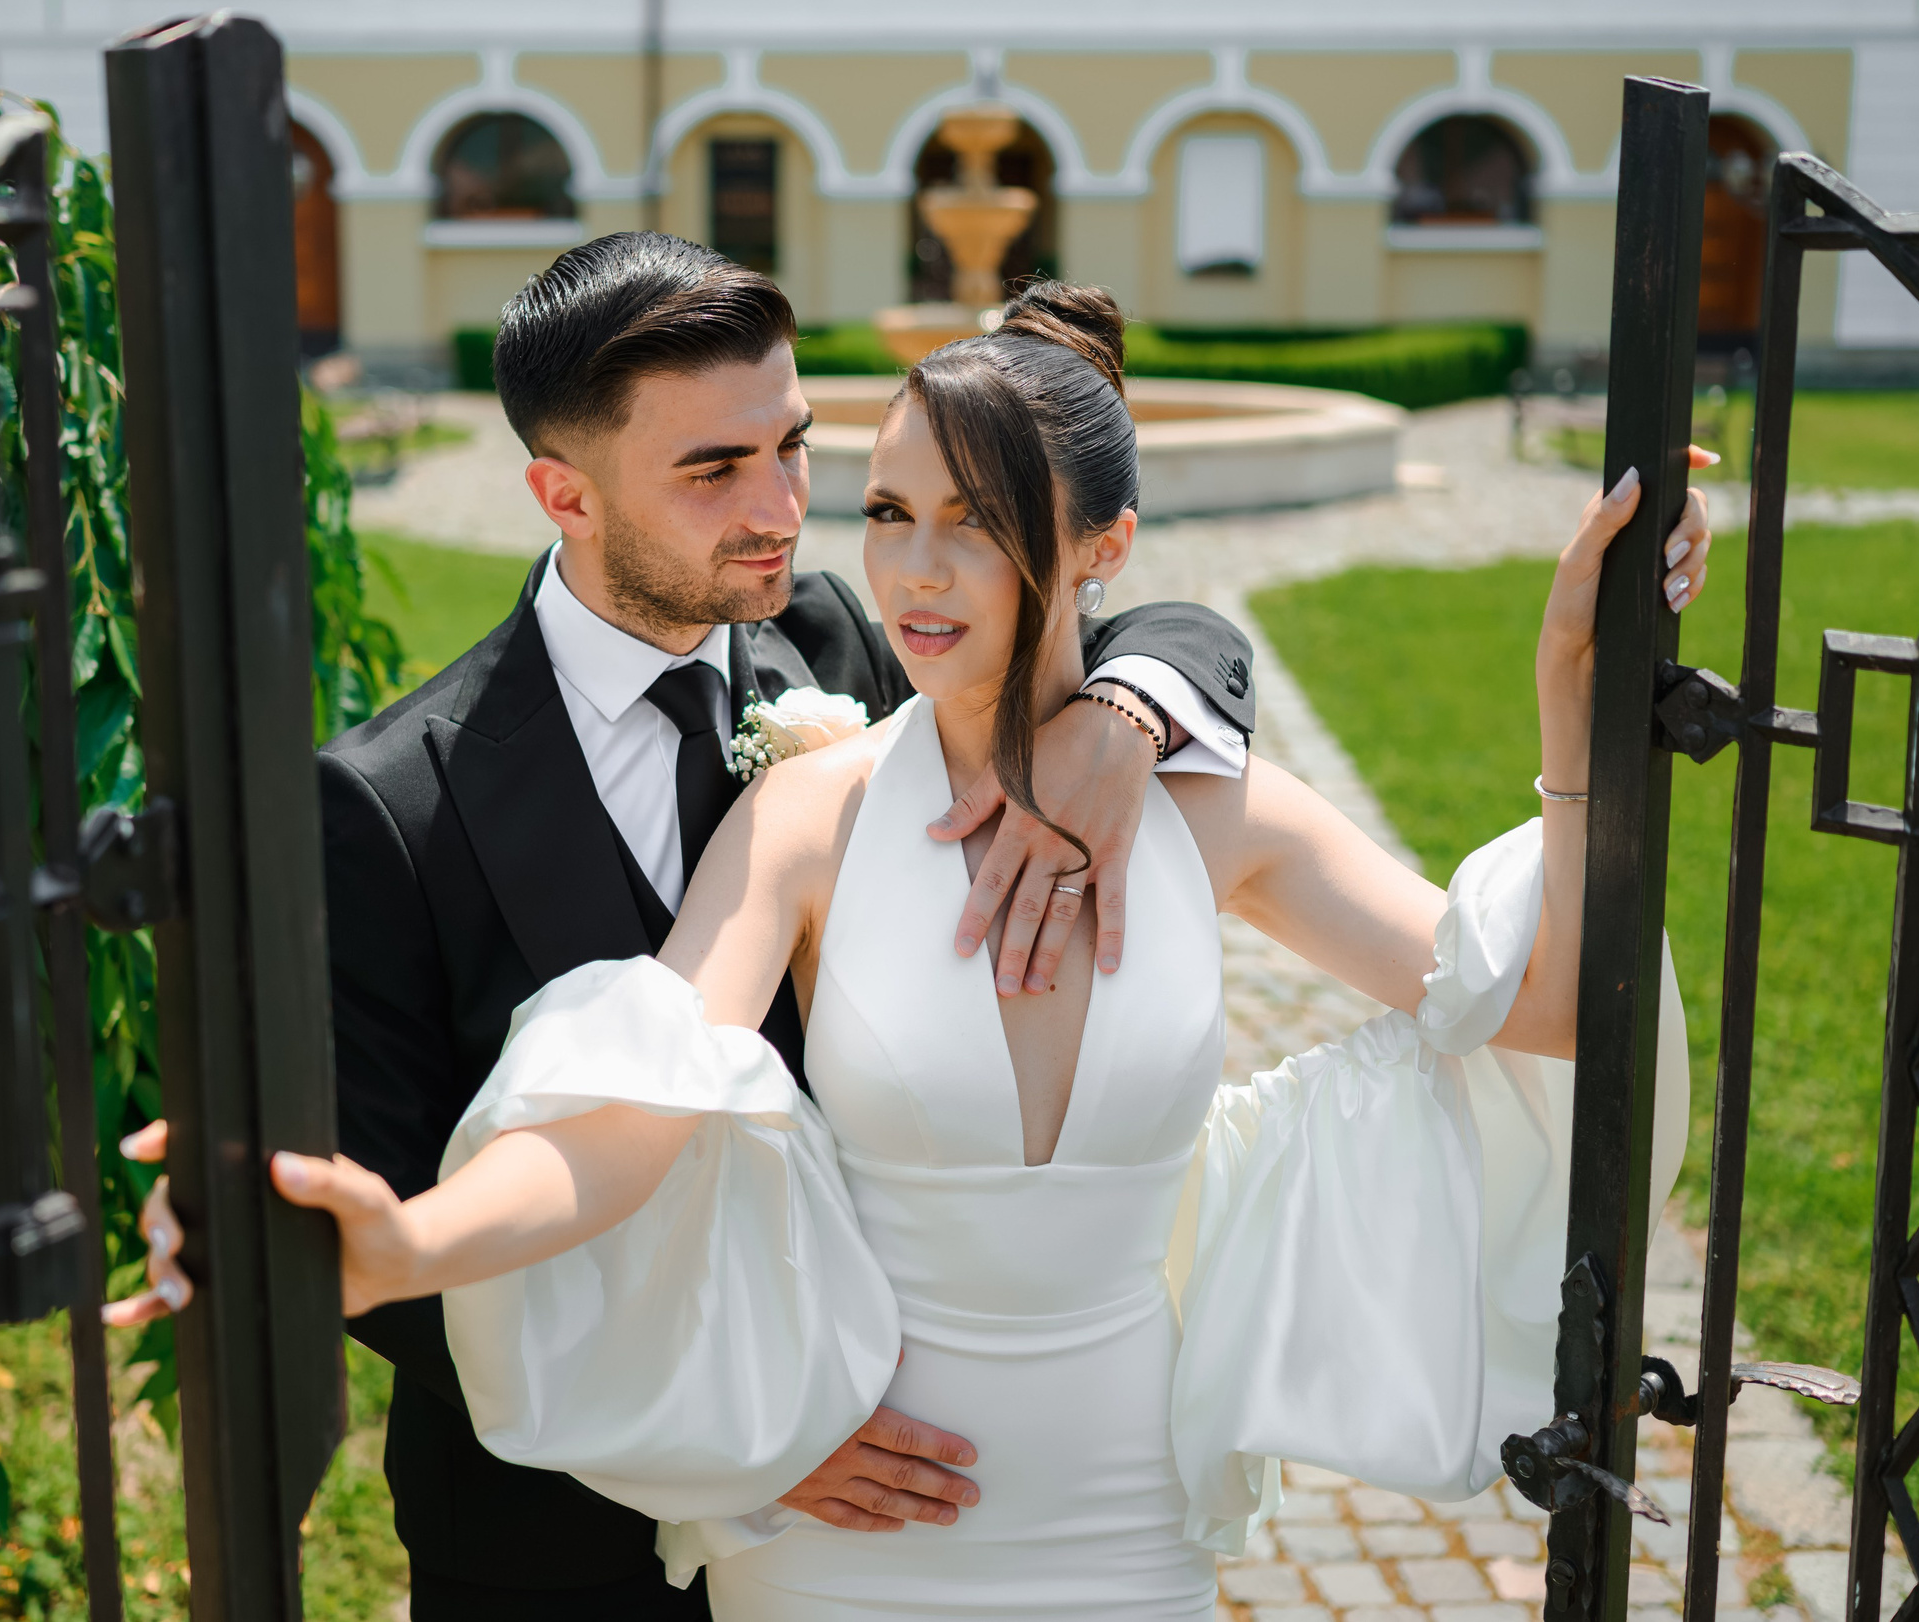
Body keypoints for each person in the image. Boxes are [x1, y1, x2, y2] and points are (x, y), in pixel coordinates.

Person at [131, 282, 1719, 1618]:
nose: (908, 572)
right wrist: (413, 1241)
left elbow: (1551, 1004)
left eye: (974, 524)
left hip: (1129, 1514)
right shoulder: (810, 809)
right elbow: (633, 1111)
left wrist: (1567, 691)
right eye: (890, 514)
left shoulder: (1209, 808)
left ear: (1102, 545)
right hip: (835, 1537)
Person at [113, 239, 1260, 1620]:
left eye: (795, 445)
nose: (784, 509)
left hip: (902, 1515)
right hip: (560, 1537)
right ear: (564, 494)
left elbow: (1117, 608)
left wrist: (1137, 704)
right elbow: (422, 1244)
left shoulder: (841, 639)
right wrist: (758, 1431)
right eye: (715, 472)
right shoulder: (386, 805)